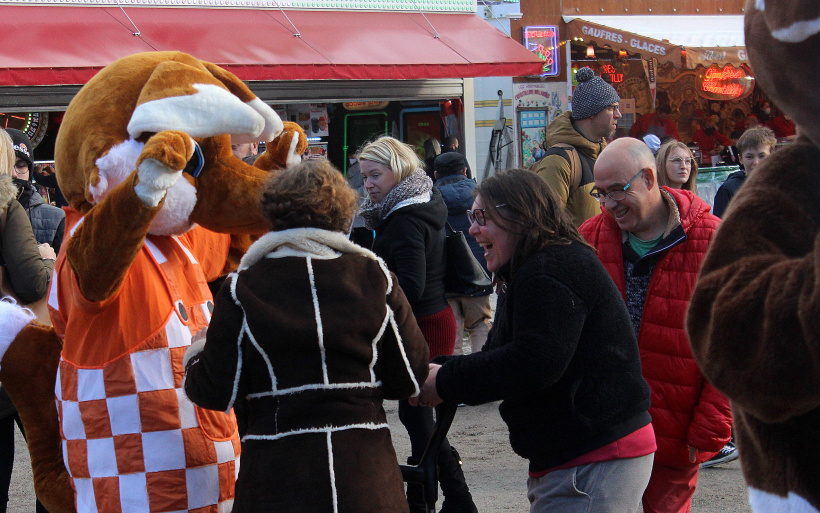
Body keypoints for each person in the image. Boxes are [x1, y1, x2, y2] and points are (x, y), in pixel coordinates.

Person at [183, 159, 429, 512]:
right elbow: (410, 376)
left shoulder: (242, 288)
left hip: (278, 479)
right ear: (343, 214)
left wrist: (197, 351)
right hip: (365, 477)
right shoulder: (376, 277)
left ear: (272, 215)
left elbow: (213, 391)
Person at [413, 168, 655, 513]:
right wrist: (438, 371)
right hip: (582, 454)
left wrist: (445, 380)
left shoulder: (550, 268)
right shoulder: (535, 266)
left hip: (595, 454)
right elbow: (502, 354)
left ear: (520, 217)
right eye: (472, 216)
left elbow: (533, 362)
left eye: (482, 217)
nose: (472, 228)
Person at [578, 137, 732, 513]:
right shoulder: (589, 238)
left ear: (648, 178)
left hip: (674, 438)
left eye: (617, 191)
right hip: (604, 434)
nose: (610, 203)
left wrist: (709, 429)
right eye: (601, 193)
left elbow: (737, 346)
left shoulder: (714, 240)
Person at [358, 136, 477, 513]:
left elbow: (410, 284)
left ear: (399, 170)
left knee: (419, 415)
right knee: (422, 417)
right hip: (431, 319)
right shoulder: (422, 201)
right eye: (364, 177)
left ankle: (449, 498)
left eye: (375, 174)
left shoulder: (405, 219)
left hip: (423, 324)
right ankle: (436, 497)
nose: (369, 184)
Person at [0, 128, 54, 513]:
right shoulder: (6, 203)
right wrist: (48, 259)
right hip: (11, 354)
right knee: (49, 465)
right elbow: (32, 281)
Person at [532, 67, 621, 226]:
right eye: (611, 108)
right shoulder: (558, 161)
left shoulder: (602, 156)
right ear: (592, 112)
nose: (618, 115)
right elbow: (545, 227)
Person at [433, 151, 492, 355]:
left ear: (435, 174)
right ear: (465, 171)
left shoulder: (430, 199)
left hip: (445, 275)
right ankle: (482, 375)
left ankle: (454, 380)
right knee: (479, 325)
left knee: (452, 331)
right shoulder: (482, 196)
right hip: (477, 272)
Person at [6, 129, 65, 253]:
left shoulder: (57, 218)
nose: (13, 174)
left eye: (20, 165)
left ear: (29, 169)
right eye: (6, 165)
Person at [712, 126, 776, 218]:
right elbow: (719, 227)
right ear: (740, 159)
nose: (756, 162)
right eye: (749, 157)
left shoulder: (780, 187)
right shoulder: (728, 189)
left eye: (762, 156)